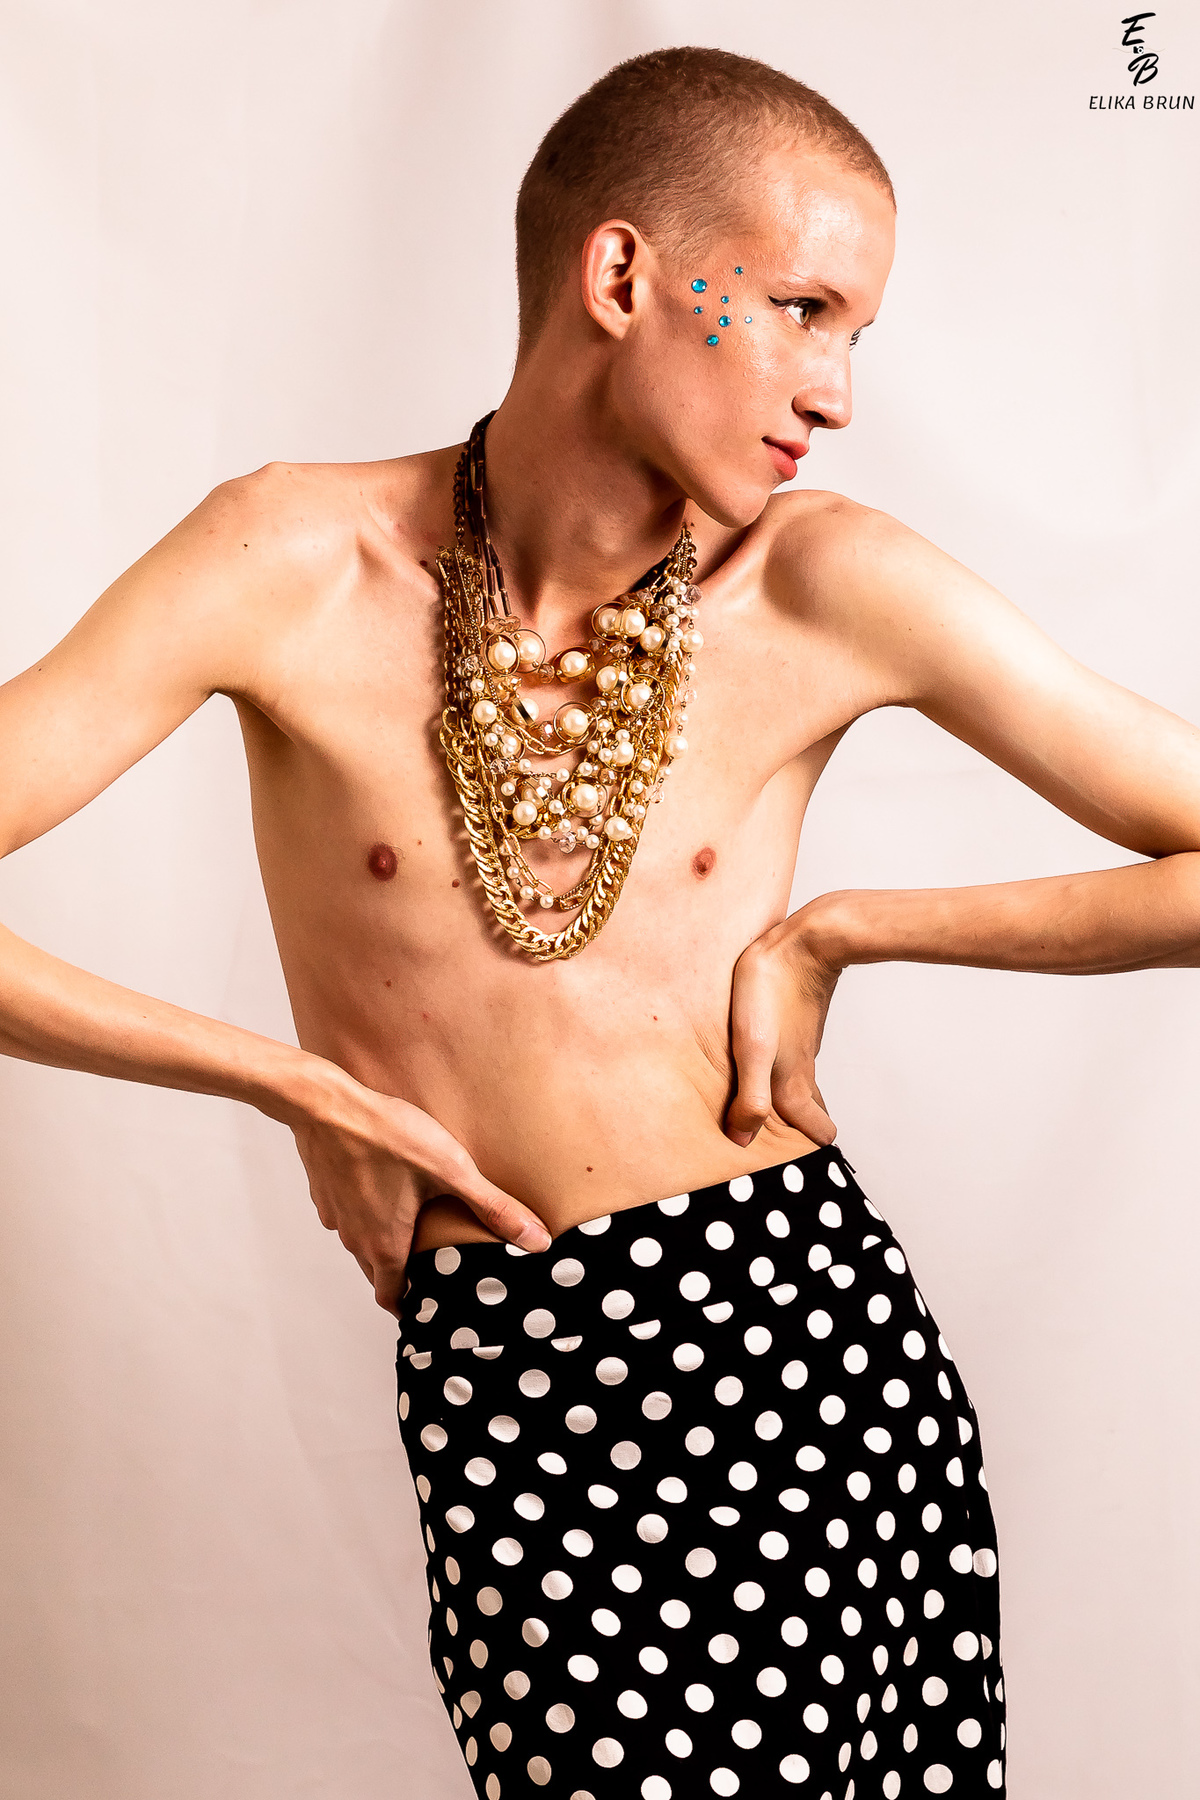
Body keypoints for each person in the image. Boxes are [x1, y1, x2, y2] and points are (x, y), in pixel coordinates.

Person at [2, 40, 1198, 1800]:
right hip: (513, 1381)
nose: (835, 392)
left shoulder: (824, 582)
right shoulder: (291, 564)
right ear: (625, 276)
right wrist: (293, 1085)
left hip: (813, 1351)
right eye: (801, 310)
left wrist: (849, 929)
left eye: (857, 334)